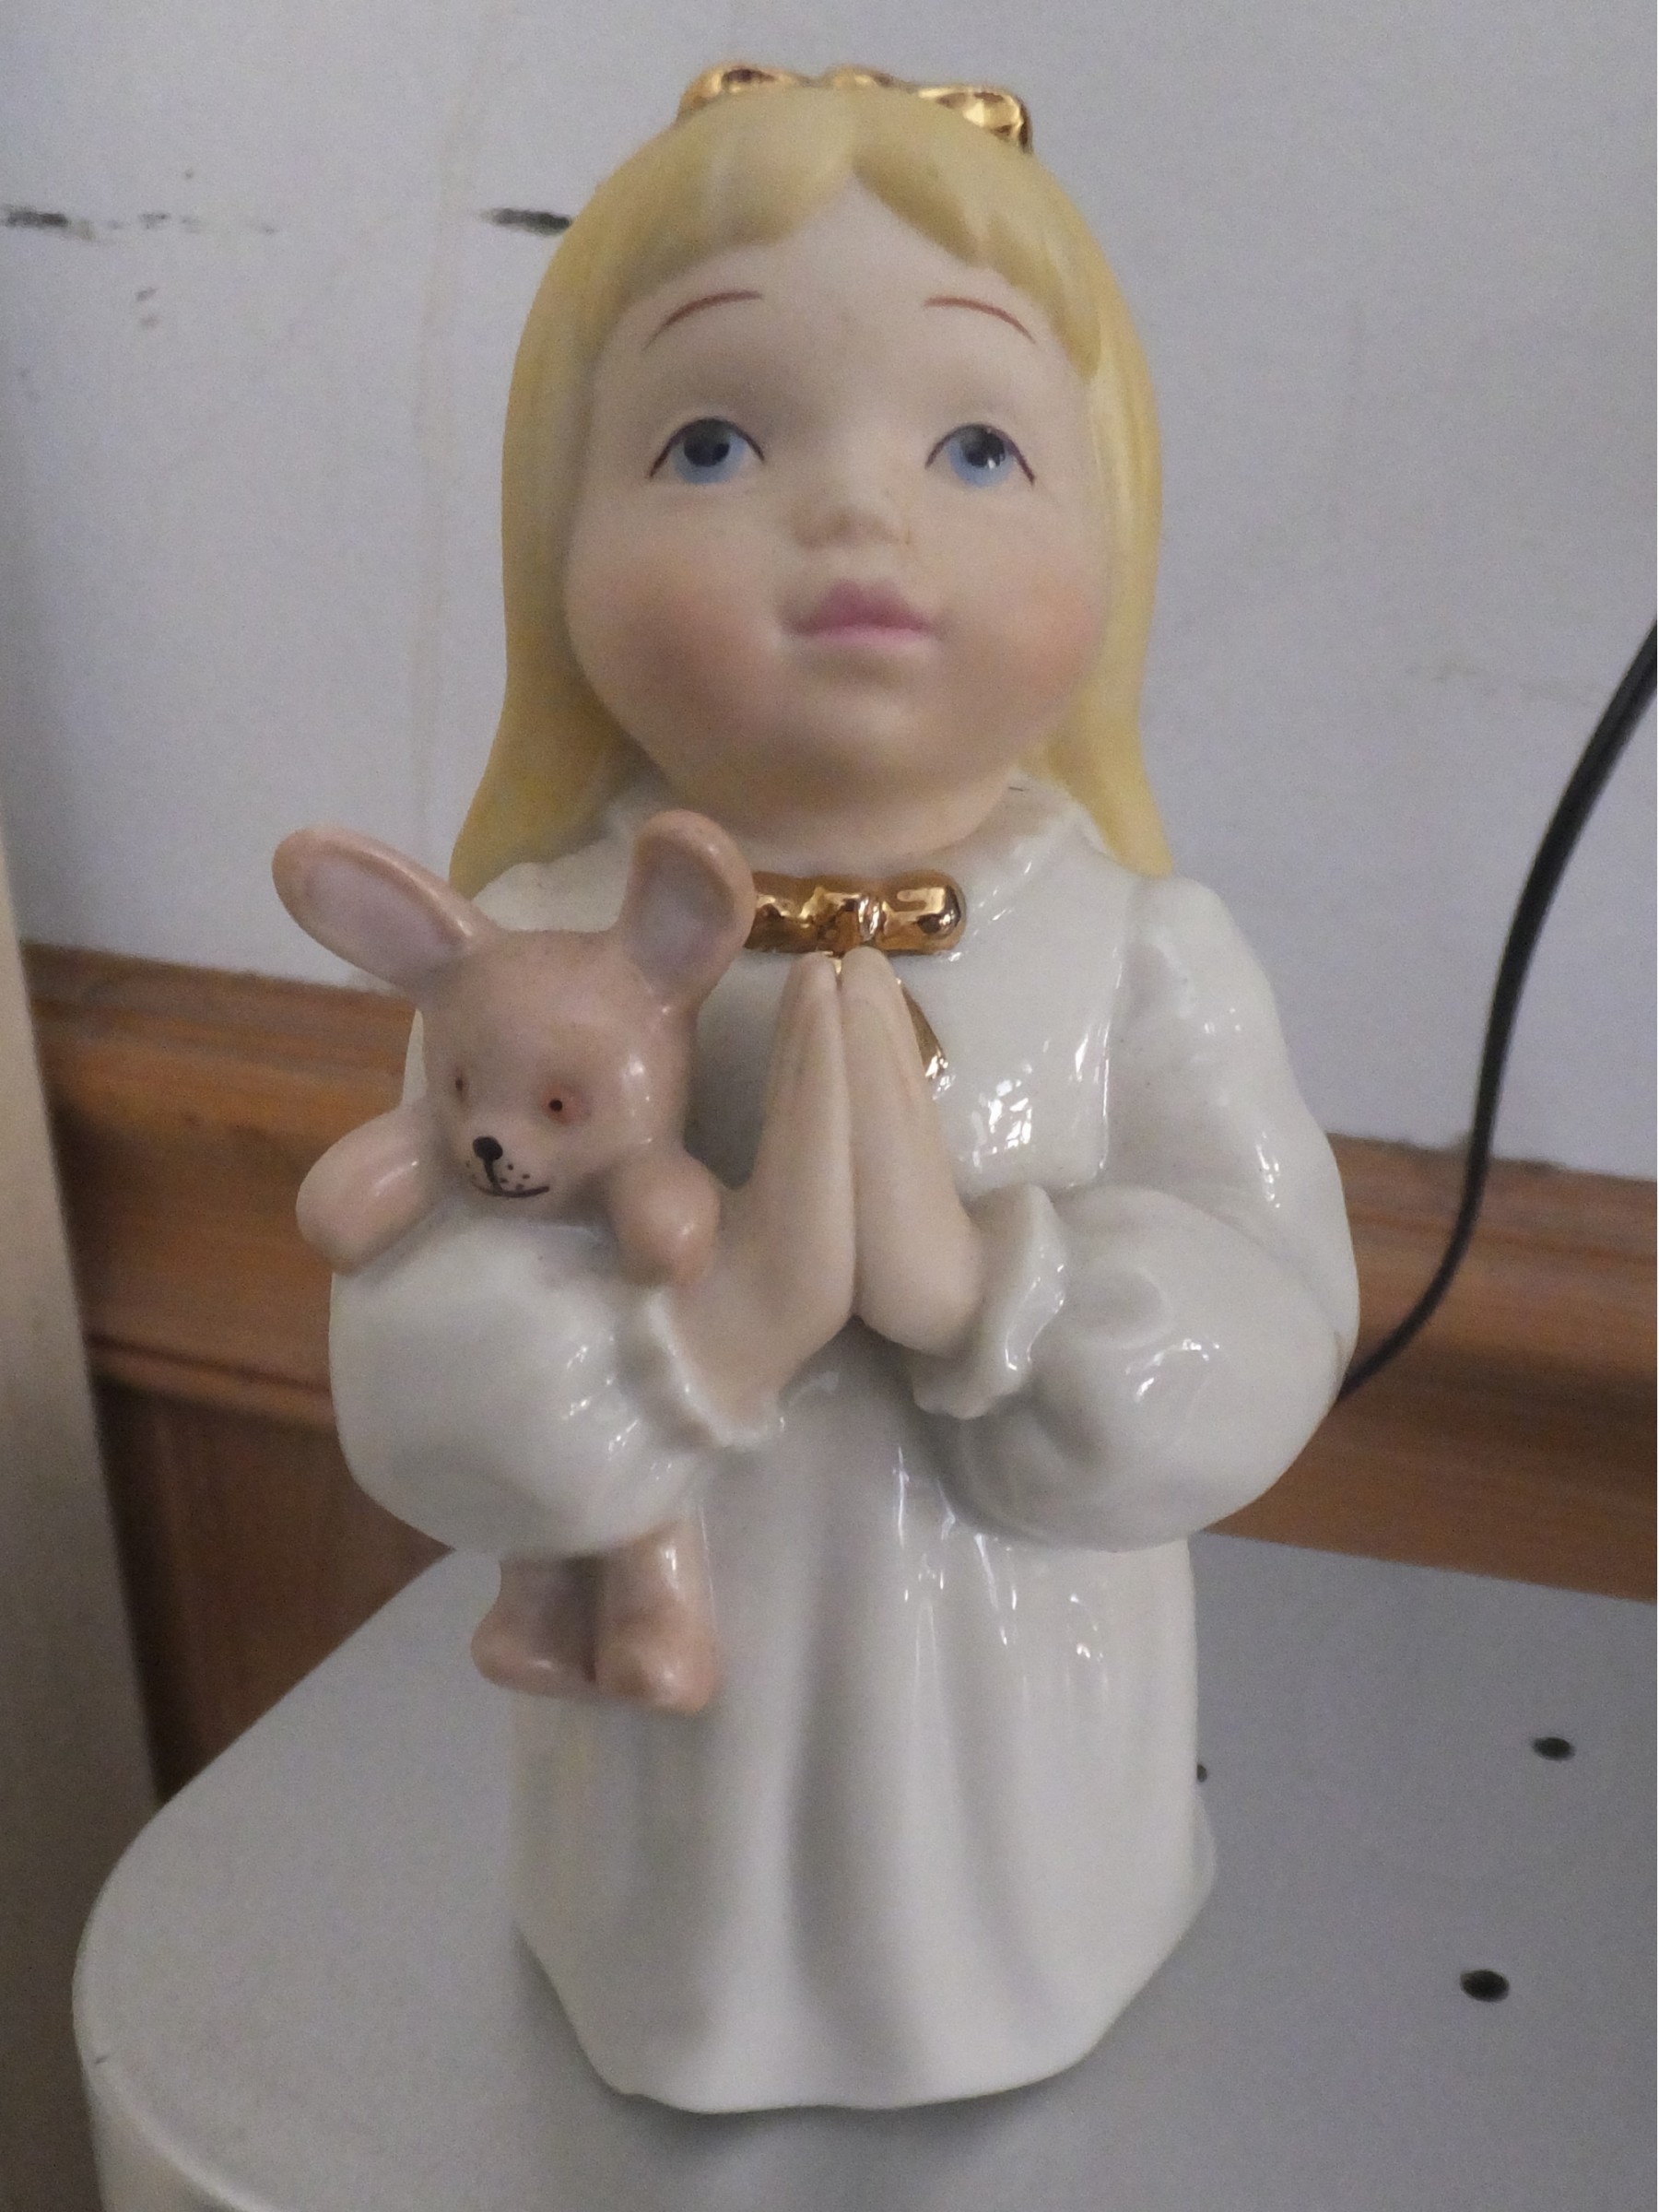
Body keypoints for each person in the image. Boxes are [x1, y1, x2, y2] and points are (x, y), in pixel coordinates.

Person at [327, 65, 1359, 2111]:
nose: (863, 516)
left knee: (1025, 1920)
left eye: (978, 444)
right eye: (714, 440)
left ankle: (1035, 1949)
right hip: (673, 1792)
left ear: (1110, 531)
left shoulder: (1138, 949)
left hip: (1030, 1769)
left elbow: (1272, 1308)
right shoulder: (524, 951)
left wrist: (996, 1300)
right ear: (560, 543)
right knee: (677, 1916)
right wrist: (698, 1341)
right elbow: (415, 1364)